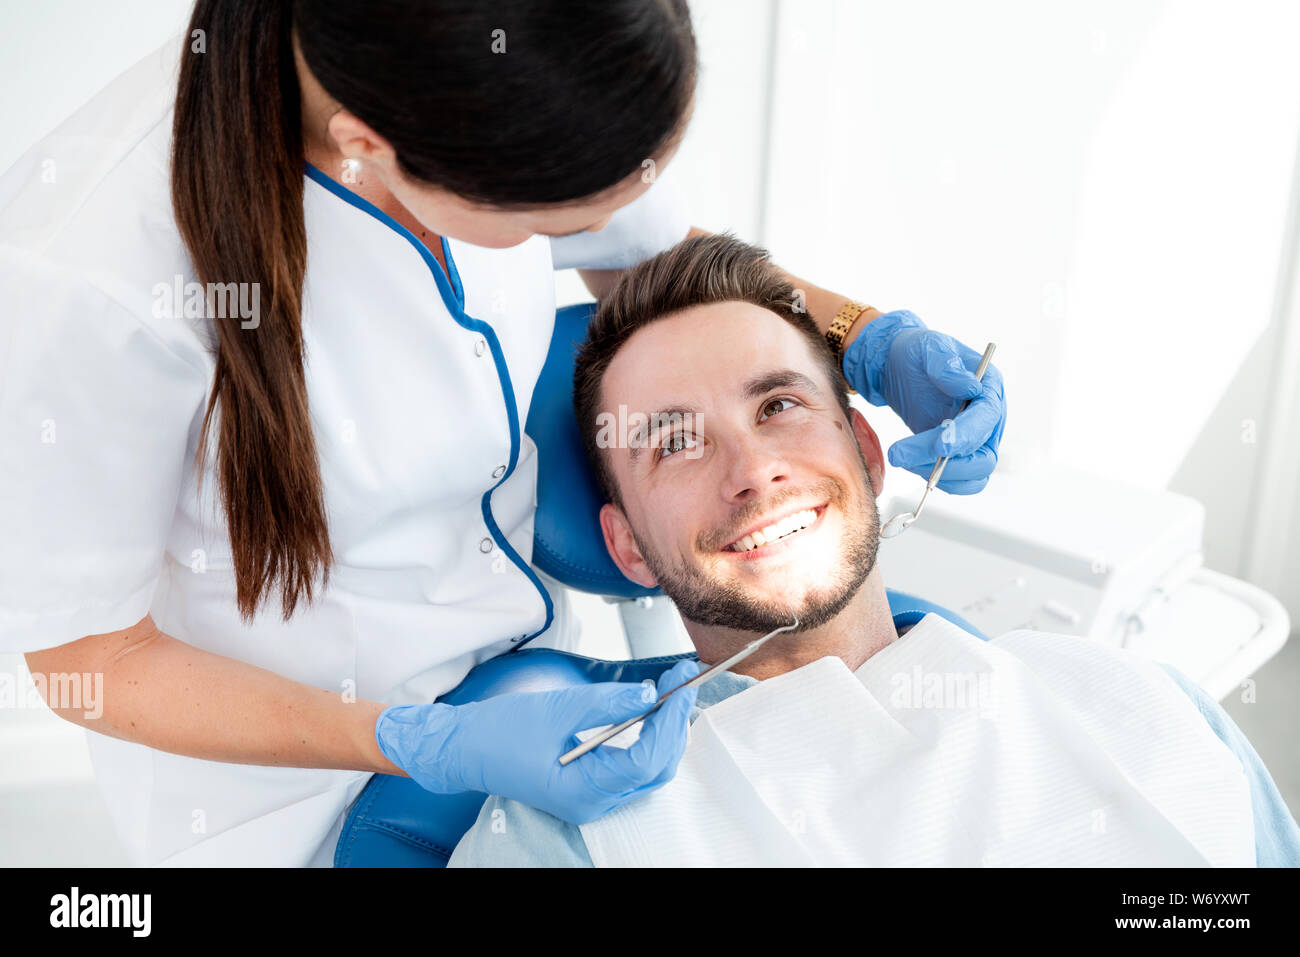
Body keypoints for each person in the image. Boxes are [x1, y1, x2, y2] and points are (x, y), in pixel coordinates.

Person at [0, 2, 1006, 866]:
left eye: (782, 408)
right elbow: (90, 658)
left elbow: (650, 257)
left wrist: (861, 337)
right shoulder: (94, 281)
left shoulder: (524, 66)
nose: (758, 473)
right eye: (544, 223)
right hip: (303, 792)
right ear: (369, 145)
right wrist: (415, 743)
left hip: (536, 686)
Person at [448, 233, 1300, 867]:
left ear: (867, 446)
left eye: (778, 405)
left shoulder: (1139, 707)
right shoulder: (573, 832)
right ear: (627, 545)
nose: (756, 471)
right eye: (675, 441)